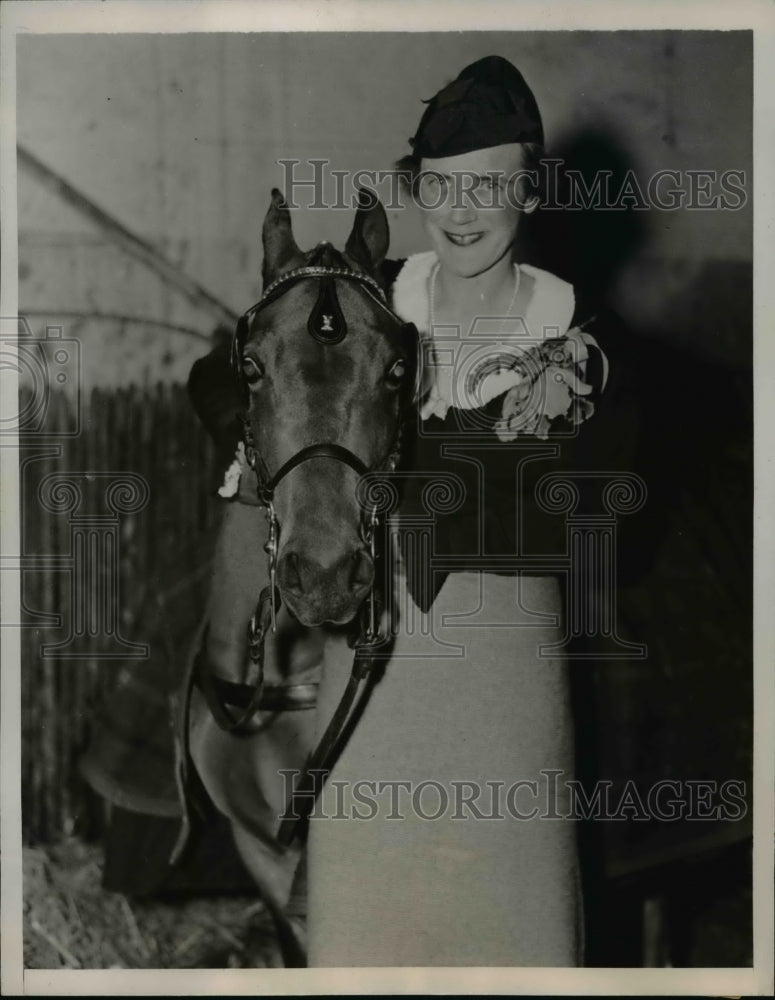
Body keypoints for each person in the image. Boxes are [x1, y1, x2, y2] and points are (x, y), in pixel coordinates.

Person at [302, 55, 637, 966]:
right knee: (364, 925)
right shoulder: (370, 305)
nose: (459, 208)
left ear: (530, 193)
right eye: (440, 184)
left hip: (503, 678)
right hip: (372, 676)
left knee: (507, 928)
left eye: (488, 184)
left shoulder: (578, 336)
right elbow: (233, 379)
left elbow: (589, 523)